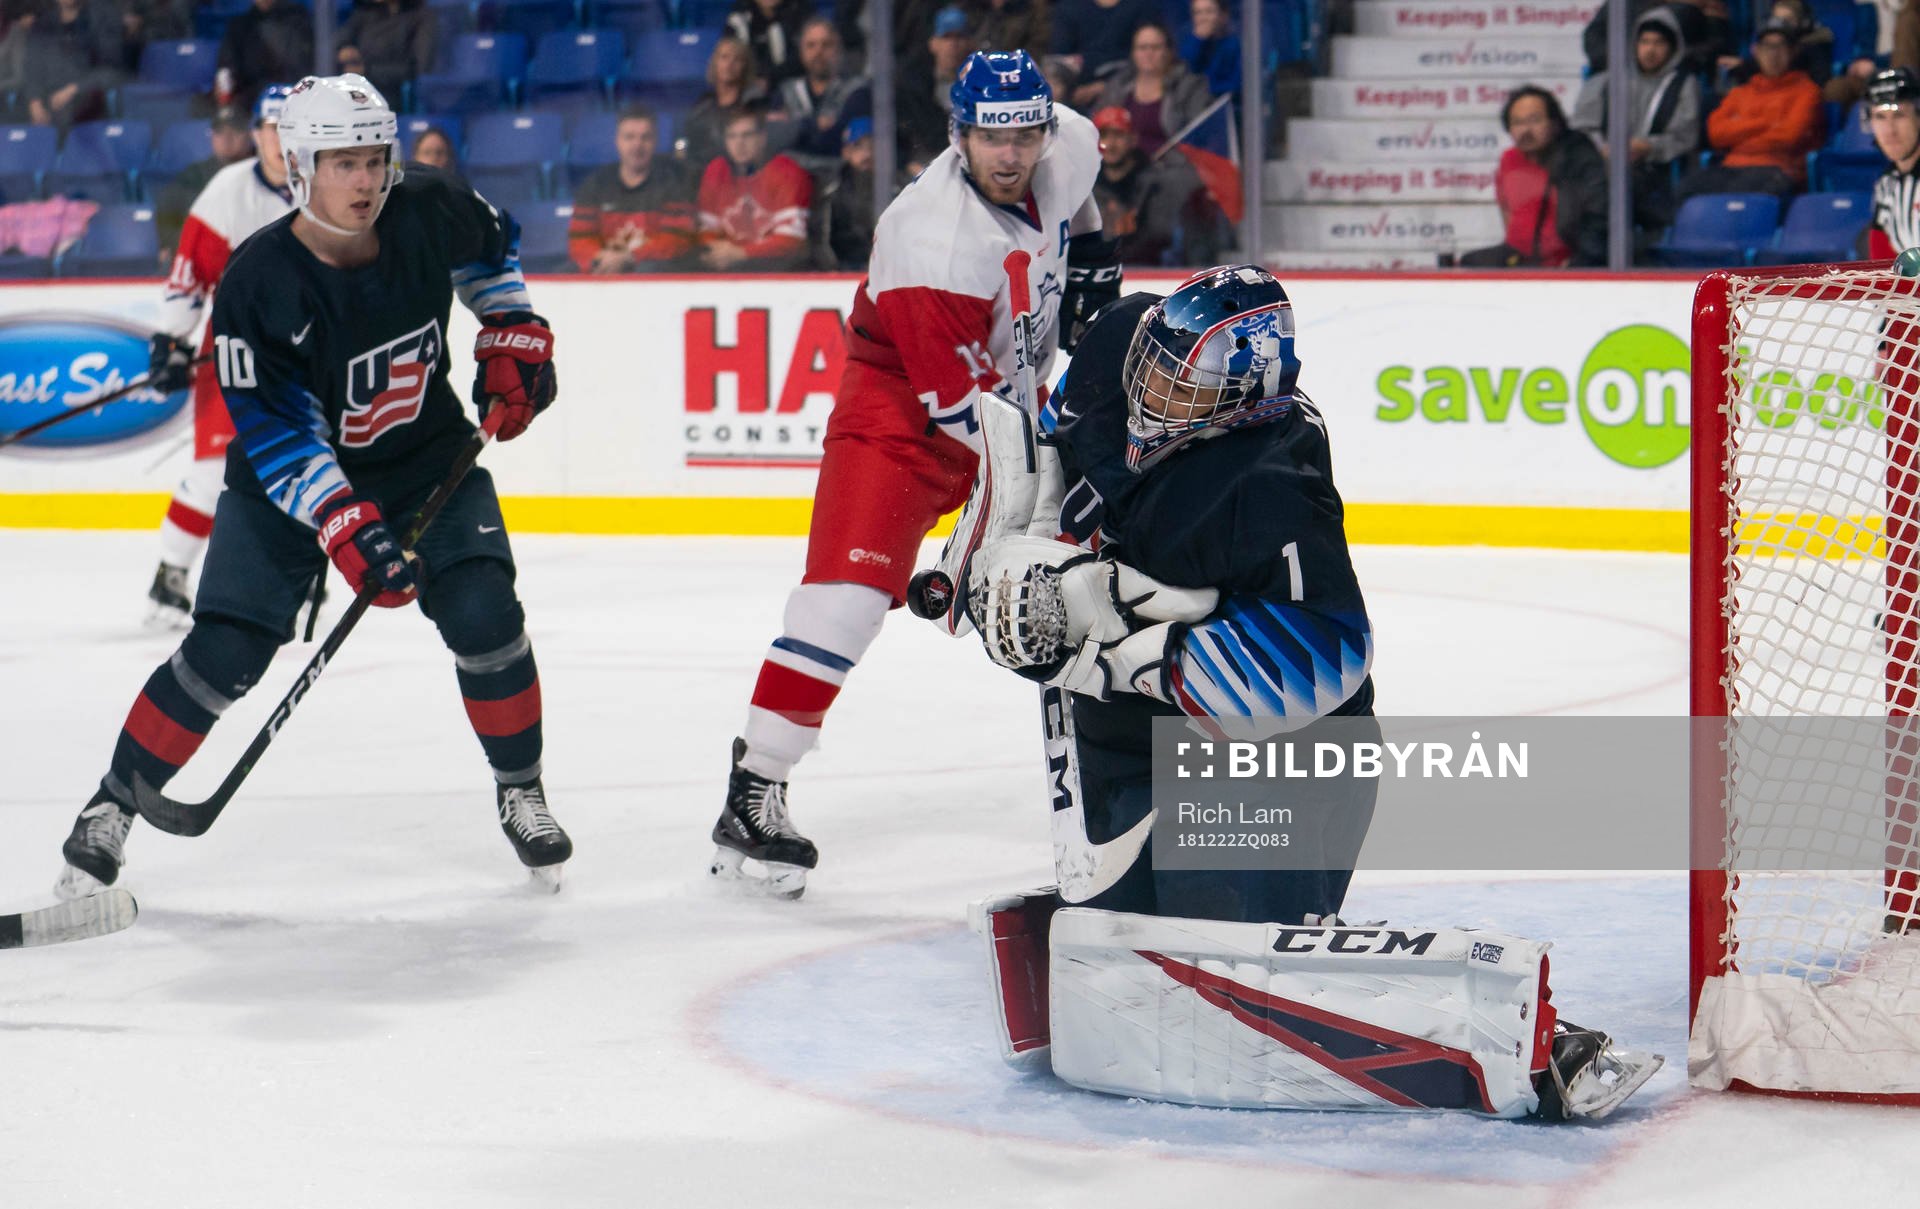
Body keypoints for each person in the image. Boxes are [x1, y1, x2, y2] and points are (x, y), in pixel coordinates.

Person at [957, 265, 1659, 1122]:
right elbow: (1039, 456)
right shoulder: (1124, 343)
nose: (1157, 397)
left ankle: (1538, 1044)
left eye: (1187, 390)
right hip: (1126, 743)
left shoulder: (1272, 483)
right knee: (1119, 962)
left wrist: (1098, 644)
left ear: (1246, 400)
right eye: (1160, 371)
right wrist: (1000, 575)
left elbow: (1321, 661)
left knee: (1231, 970)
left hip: (1281, 762)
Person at [56, 73, 570, 899]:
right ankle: (112, 803)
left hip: (423, 456)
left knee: (485, 615)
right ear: (300, 167)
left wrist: (511, 330)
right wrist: (344, 523)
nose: (366, 181)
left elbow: (491, 255)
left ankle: (523, 789)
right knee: (225, 651)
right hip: (284, 484)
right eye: (343, 164)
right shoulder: (259, 284)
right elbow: (281, 435)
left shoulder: (429, 206)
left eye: (375, 159)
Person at [708, 49, 1113, 898]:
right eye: (993, 137)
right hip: (901, 416)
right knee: (844, 603)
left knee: (1094, 577)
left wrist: (1098, 262)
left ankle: (1119, 776)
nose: (1013, 154)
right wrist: (1047, 471)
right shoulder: (928, 235)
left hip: (1008, 397)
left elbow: (1080, 201)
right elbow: (962, 409)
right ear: (959, 136)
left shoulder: (1066, 146)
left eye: (1026, 134)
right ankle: (756, 788)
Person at [144, 84, 296, 629]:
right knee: (215, 472)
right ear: (255, 134)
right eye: (271, 128)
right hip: (232, 351)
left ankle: (291, 573)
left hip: (309, 355)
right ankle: (171, 572)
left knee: (305, 466)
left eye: (290, 128)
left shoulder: (327, 188)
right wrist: (172, 340)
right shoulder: (227, 191)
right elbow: (189, 275)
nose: (280, 141)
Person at [1569, 7, 1700, 237]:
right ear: (1634, 44)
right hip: (1600, 165)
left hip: (1653, 170)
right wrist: (1603, 149)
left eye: (1659, 43)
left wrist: (1648, 147)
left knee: (1621, 187)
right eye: (1645, 41)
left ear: (1673, 47)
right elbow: (1583, 127)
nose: (1650, 50)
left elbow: (1684, 134)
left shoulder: (1683, 84)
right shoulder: (1606, 81)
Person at [1461, 85, 1607, 268]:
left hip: (1566, 264)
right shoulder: (1509, 160)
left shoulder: (1578, 158)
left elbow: (1595, 224)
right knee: (1469, 263)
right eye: (1517, 123)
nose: (1525, 131)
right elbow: (1508, 214)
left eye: (1534, 120)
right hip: (1519, 260)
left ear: (1555, 124)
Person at [1682, 17, 1823, 200]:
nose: (1773, 54)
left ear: (1793, 52)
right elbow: (1716, 134)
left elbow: (1790, 137)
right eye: (1767, 47)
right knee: (1688, 189)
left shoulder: (1807, 91)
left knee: (1741, 194)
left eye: (1780, 47)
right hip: (1731, 167)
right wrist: (1767, 123)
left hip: (1778, 168)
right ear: (1756, 51)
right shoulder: (1740, 93)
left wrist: (1739, 133)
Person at [568, 104, 697, 273]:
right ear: (617, 141)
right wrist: (600, 257)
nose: (638, 145)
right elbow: (579, 239)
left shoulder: (673, 184)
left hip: (651, 274)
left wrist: (630, 257)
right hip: (604, 268)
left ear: (655, 141)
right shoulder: (595, 184)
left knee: (650, 269)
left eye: (645, 137)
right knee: (566, 271)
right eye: (629, 137)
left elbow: (676, 241)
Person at [695, 106, 813, 271]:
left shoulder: (788, 172)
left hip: (777, 276)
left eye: (747, 135)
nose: (739, 143)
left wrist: (742, 253)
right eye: (732, 136)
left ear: (762, 138)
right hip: (725, 272)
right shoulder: (717, 170)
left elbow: (792, 242)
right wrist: (718, 252)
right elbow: (705, 231)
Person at [1090, 105, 1202, 265]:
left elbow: (1159, 237)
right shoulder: (1087, 184)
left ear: (1133, 139)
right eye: (1104, 136)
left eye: (1118, 135)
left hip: (1145, 272)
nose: (1110, 144)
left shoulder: (1156, 183)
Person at [768, 15, 871, 177]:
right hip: (789, 178)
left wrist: (793, 127)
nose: (818, 52)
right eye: (811, 45)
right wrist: (814, 125)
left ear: (839, 49)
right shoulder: (786, 91)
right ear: (801, 51)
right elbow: (774, 139)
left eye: (826, 45)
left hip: (840, 179)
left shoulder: (857, 91)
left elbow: (840, 142)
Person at [1092, 20, 1210, 159]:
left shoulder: (1190, 87)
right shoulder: (1118, 85)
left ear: (1170, 51)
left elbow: (1201, 137)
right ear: (1134, 53)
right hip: (1122, 167)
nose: (1148, 53)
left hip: (1171, 168)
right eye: (1142, 48)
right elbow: (1096, 128)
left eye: (1155, 47)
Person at [153, 102, 257, 260]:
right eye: (220, 132)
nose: (226, 138)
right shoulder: (193, 175)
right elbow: (167, 210)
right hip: (204, 257)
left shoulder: (265, 173)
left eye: (235, 130)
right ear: (212, 136)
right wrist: (171, 244)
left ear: (251, 135)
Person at [897, 5, 977, 170]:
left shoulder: (982, 86)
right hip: (925, 162)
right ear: (933, 43)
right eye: (946, 37)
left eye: (959, 37)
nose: (953, 45)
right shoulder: (913, 87)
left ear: (970, 43)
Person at [22, 0, 124, 128]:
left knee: (65, 114)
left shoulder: (100, 20)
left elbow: (110, 70)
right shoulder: (42, 25)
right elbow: (32, 67)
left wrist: (72, 89)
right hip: (46, 98)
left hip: (84, 96)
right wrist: (34, 101)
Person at [677, 35, 767, 175]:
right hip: (701, 176)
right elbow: (683, 142)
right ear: (715, 63)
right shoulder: (702, 105)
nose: (729, 64)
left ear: (745, 67)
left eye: (737, 59)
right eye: (724, 57)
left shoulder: (753, 103)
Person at [1049, 0, 1162, 108]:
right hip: (1076, 93)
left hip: (1127, 90)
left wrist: (1107, 86)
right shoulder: (1068, 7)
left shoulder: (1142, 7)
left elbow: (1149, 57)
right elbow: (1059, 60)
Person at [336, 0, 438, 108]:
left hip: (395, 100)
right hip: (355, 91)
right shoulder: (365, 13)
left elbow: (419, 69)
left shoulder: (421, 17)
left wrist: (366, 70)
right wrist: (344, 52)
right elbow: (334, 46)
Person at [217, 0, 313, 108]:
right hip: (250, 102)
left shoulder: (299, 20)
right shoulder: (239, 26)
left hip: (294, 97)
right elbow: (226, 69)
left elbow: (306, 66)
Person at [1866, 67, 1920, 256]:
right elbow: (1880, 265)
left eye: (1899, 115)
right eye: (1880, 117)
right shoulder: (1885, 185)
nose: (1890, 130)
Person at [813, 114, 877, 269]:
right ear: (846, 151)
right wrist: (837, 273)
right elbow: (820, 241)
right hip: (843, 274)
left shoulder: (899, 185)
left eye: (872, 146)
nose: (866, 154)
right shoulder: (831, 188)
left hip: (887, 275)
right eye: (858, 146)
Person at [725, 0, 810, 85]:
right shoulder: (738, 17)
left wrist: (770, 78)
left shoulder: (801, 13)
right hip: (746, 87)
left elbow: (805, 60)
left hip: (789, 86)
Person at [1179, 0, 1239, 96]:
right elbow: (1185, 73)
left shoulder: (1235, 45)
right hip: (1192, 105)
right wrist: (1198, 40)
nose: (1203, 18)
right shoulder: (1188, 42)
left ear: (1223, 16)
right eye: (1198, 13)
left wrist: (1204, 90)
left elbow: (1237, 84)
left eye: (1209, 12)